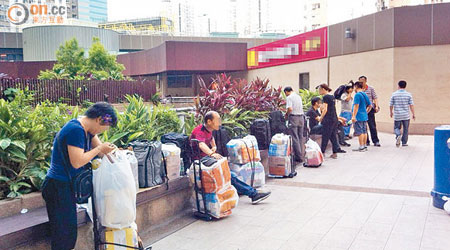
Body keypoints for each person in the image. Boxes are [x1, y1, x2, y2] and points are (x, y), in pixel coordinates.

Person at [42, 102, 118, 250]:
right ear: (98, 120)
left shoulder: (88, 130)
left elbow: (101, 152)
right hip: (57, 187)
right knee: (63, 236)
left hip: (66, 187)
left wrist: (110, 150)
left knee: (68, 234)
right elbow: (77, 162)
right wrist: (100, 149)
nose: (103, 131)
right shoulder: (75, 130)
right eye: (105, 127)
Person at [190, 111, 271, 204]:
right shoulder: (199, 131)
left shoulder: (209, 130)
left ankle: (250, 193)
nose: (219, 123)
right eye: (217, 120)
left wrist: (214, 147)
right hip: (200, 161)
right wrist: (211, 154)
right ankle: (253, 194)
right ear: (209, 121)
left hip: (207, 160)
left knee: (229, 173)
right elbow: (201, 144)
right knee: (228, 174)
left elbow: (211, 138)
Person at [316, 84, 346, 158]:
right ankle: (335, 152)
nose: (319, 91)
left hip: (328, 120)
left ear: (323, 89)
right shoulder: (332, 97)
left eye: (319, 90)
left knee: (325, 136)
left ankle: (322, 153)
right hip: (334, 119)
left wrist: (321, 118)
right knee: (333, 136)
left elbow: (325, 109)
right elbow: (332, 109)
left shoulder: (325, 97)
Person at [390, 80, 415, 147]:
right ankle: (404, 142)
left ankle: (398, 135)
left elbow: (391, 104)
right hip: (406, 115)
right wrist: (413, 114)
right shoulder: (408, 94)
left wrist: (391, 112)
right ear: (405, 86)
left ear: (398, 86)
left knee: (396, 127)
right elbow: (411, 105)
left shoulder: (394, 94)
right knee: (406, 129)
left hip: (397, 115)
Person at [283, 86, 305, 163]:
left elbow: (290, 109)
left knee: (294, 137)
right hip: (301, 117)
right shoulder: (298, 96)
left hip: (294, 118)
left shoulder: (289, 97)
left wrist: (286, 115)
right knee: (300, 137)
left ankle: (299, 157)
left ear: (286, 92)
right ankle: (302, 154)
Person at [359, 76, 381, 147]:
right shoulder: (359, 89)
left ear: (366, 81)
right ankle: (366, 141)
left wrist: (377, 106)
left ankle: (376, 141)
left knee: (372, 126)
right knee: (363, 126)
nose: (361, 83)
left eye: (362, 81)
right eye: (360, 81)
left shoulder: (370, 88)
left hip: (370, 109)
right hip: (362, 109)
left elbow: (375, 97)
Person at [351, 81, 372, 152]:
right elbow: (370, 105)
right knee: (364, 131)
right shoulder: (364, 94)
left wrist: (354, 116)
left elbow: (356, 106)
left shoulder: (357, 95)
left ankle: (361, 146)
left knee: (360, 132)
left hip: (358, 116)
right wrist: (366, 111)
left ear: (356, 87)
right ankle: (364, 146)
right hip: (364, 116)